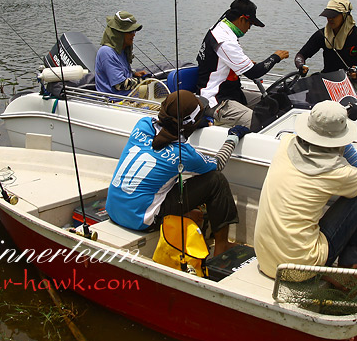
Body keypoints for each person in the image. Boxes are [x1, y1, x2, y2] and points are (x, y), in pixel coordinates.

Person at [106, 90, 250, 256]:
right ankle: (222, 246)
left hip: (114, 209)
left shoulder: (143, 124)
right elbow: (217, 164)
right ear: (189, 124)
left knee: (169, 178)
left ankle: (187, 216)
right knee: (216, 180)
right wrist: (233, 138)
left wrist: (191, 126)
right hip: (141, 221)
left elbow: (166, 135)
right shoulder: (183, 154)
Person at [254, 100, 357, 278]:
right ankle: (351, 268)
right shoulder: (337, 171)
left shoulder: (285, 143)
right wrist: (344, 142)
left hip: (266, 259)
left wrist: (331, 135)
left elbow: (301, 136)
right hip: (302, 269)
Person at [196, 0, 290, 127]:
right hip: (216, 100)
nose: (250, 28)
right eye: (250, 24)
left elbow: (219, 61)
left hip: (232, 93)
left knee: (274, 104)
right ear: (241, 19)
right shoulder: (225, 40)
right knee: (262, 122)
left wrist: (241, 65)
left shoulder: (219, 27)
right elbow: (254, 73)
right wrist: (276, 57)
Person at [294, 0, 357, 84]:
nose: (330, 19)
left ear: (345, 15)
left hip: (349, 83)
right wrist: (301, 65)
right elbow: (301, 55)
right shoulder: (322, 34)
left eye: (334, 16)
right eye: (328, 15)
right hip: (326, 80)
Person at [94, 11, 148, 95]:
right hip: (115, 100)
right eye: (130, 32)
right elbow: (120, 85)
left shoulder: (122, 50)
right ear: (119, 34)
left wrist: (134, 74)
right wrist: (144, 80)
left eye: (134, 31)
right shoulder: (106, 52)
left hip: (130, 95)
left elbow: (120, 70)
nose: (133, 35)